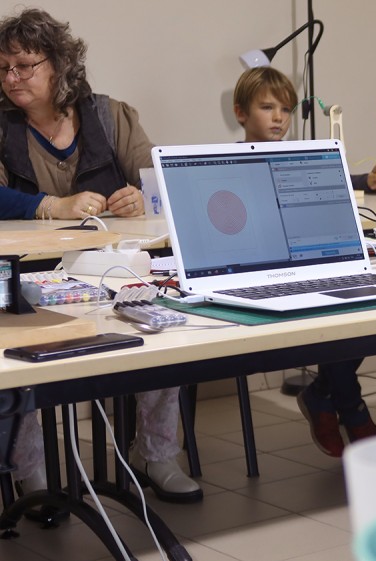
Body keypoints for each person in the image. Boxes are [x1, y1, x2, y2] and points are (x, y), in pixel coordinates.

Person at [0, 8, 201, 503]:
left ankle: (156, 453)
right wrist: (48, 205)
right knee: (13, 348)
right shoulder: (2, 127)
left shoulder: (111, 117)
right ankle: (31, 470)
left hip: (110, 271)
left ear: (58, 65)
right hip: (28, 277)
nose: (11, 77)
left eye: (24, 66)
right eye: (3, 68)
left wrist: (139, 196)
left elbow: (159, 178)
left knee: (162, 324)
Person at [232, 66, 376, 456]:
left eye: (285, 110)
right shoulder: (229, 162)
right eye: (267, 108)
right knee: (337, 317)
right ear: (240, 113)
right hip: (260, 272)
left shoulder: (297, 156)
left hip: (310, 262)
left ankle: (323, 394)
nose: (278, 118)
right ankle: (349, 407)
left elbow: (326, 180)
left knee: (363, 306)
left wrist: (366, 182)